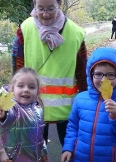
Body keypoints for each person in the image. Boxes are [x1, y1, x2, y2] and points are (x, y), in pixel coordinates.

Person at [11, 0, 88, 147]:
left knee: (73, 155)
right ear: (34, 4)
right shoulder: (25, 29)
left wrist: (87, 100)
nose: (45, 14)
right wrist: (14, 95)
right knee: (34, 157)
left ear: (60, 4)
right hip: (31, 105)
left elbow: (82, 71)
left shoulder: (76, 33)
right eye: (40, 8)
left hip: (67, 108)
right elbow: (17, 66)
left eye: (50, 9)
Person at [0, 67, 48, 162]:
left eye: (31, 87)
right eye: (21, 86)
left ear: (38, 91)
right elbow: (7, 117)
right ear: (12, 89)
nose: (26, 90)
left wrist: (43, 150)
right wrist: (2, 115)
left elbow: (39, 134)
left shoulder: (39, 109)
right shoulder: (13, 109)